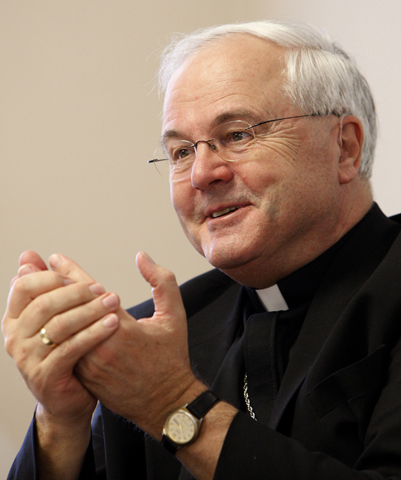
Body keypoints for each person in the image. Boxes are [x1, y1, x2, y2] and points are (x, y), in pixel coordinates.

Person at [3, 19, 401, 480]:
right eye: (181, 152)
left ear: (345, 148)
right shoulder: (157, 337)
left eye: (237, 135)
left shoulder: (153, 375)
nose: (201, 174)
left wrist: (172, 403)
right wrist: (60, 421)